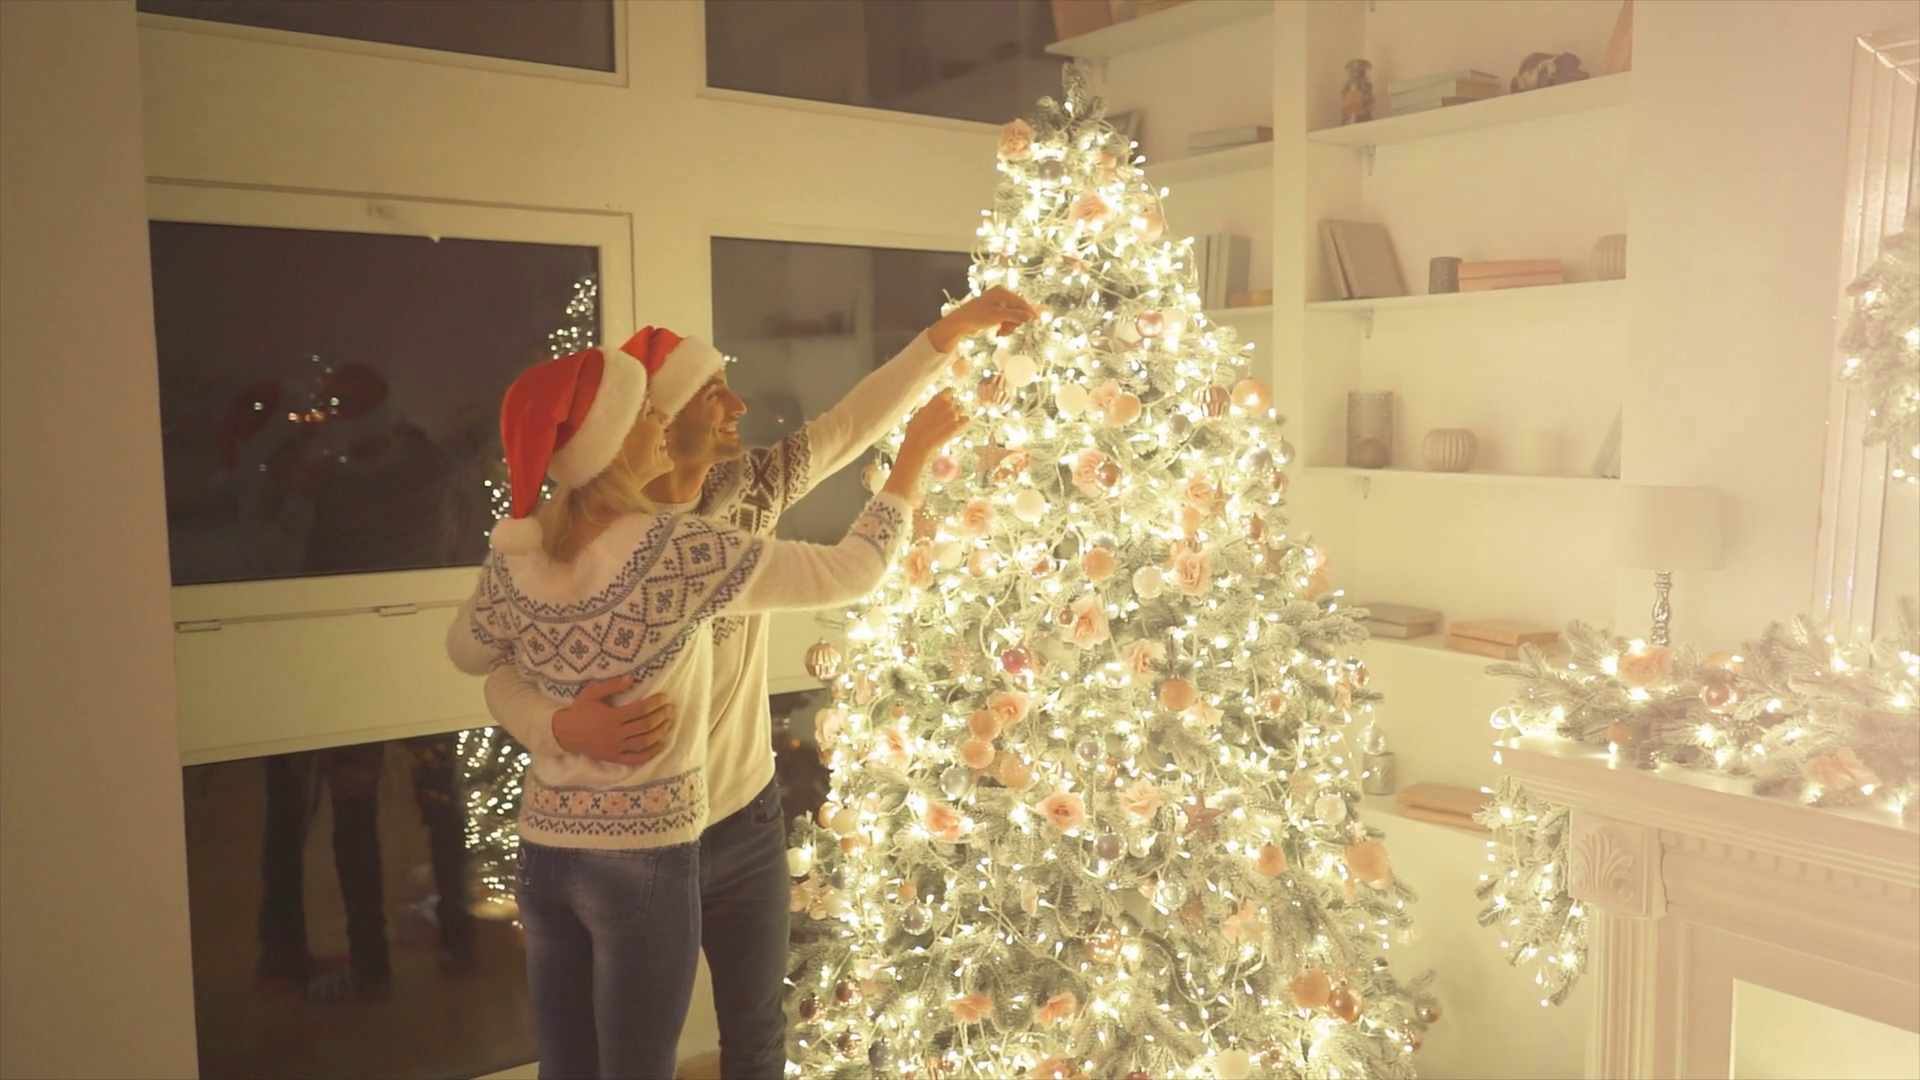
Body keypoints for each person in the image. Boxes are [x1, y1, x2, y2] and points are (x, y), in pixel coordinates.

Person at [481, 287, 1035, 1078]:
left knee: (756, 1032)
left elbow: (850, 424)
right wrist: (560, 725)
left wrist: (947, 333)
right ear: (656, 422)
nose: (738, 407)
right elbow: (495, 666)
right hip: (632, 843)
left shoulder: (750, 490)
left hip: (744, 818)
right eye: (712, 393)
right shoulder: (571, 532)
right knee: (608, 1054)